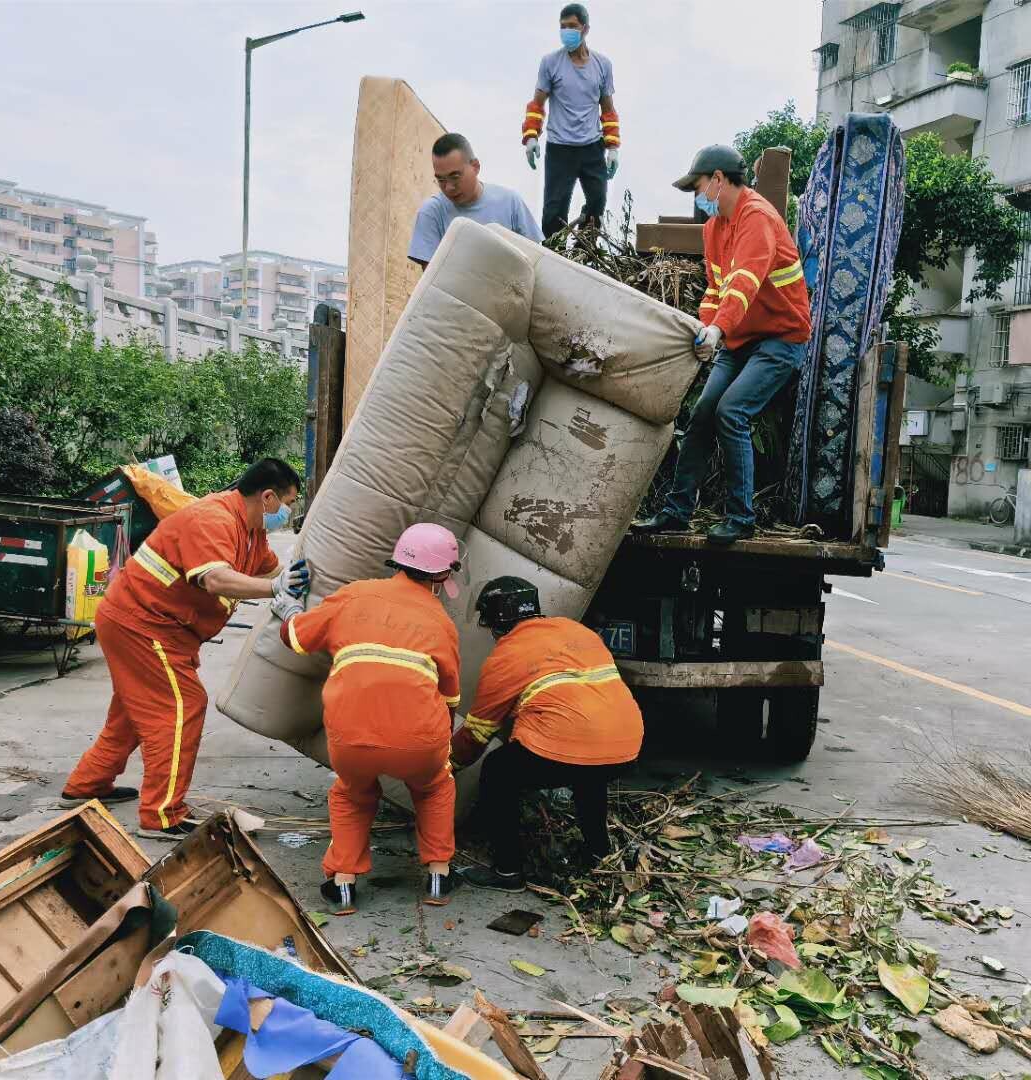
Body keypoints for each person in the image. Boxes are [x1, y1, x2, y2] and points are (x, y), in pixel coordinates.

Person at [63, 457, 307, 839]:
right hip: (142, 624)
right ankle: (162, 814)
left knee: (133, 711)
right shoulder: (213, 520)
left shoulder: (250, 531)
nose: (288, 513)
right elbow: (216, 579)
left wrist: (299, 572)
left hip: (158, 627)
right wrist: (277, 590)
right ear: (268, 497)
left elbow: (271, 568)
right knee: (180, 707)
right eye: (288, 503)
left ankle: (86, 784)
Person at [272, 523, 464, 912]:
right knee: (434, 788)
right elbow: (450, 699)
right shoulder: (441, 622)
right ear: (443, 576)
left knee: (353, 794)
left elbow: (295, 637)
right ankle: (439, 876)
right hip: (419, 741)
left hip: (349, 738)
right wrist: (438, 741)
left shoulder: (353, 596)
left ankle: (343, 884)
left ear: (397, 561)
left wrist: (288, 606)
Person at [633, 145, 812, 546]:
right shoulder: (715, 229)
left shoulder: (757, 217)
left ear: (717, 179)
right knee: (701, 415)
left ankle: (741, 518)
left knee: (732, 412)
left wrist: (719, 330)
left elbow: (746, 282)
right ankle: (676, 512)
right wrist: (707, 328)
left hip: (780, 339)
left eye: (698, 187)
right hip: (740, 339)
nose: (697, 199)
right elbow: (717, 289)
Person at [452, 576, 642, 892]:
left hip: (569, 745)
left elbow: (477, 735)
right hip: (626, 748)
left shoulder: (506, 656)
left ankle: (508, 871)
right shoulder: (577, 632)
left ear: (497, 623)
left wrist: (445, 767)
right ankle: (598, 851)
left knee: (498, 771)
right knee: (588, 772)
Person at [524, 3, 620, 237]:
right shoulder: (550, 63)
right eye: (562, 27)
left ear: (585, 29)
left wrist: (613, 148)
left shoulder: (602, 65)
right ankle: (556, 253)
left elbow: (607, 110)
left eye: (572, 26)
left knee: (597, 202)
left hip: (591, 147)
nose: (566, 32)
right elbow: (537, 104)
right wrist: (531, 137)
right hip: (560, 149)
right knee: (554, 211)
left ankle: (584, 250)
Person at [408, 132, 543, 267]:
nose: (449, 187)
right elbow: (433, 281)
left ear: (475, 166)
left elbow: (539, 260)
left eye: (455, 176)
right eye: (441, 180)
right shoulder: (430, 214)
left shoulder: (511, 203)